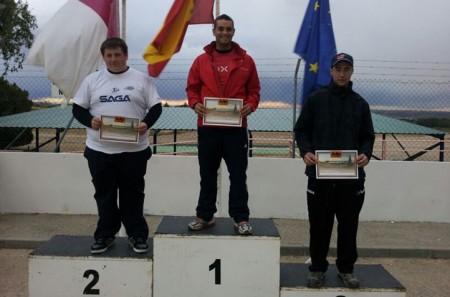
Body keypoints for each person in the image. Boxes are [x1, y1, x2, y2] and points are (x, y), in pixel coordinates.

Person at [72, 37, 162, 254]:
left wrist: (146, 123)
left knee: (133, 194)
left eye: (117, 55)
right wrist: (90, 121)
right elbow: (78, 109)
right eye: (109, 55)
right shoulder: (92, 81)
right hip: (100, 151)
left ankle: (137, 235)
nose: (113, 59)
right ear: (103, 57)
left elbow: (156, 107)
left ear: (126, 55)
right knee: (105, 195)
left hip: (134, 152)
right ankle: (105, 235)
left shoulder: (141, 80)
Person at [294, 53, 375, 288]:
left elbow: (367, 137)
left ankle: (346, 269)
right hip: (319, 178)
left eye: (346, 69)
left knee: (348, 226)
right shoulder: (315, 100)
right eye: (337, 68)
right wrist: (306, 151)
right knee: (319, 225)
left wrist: (365, 154)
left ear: (352, 72)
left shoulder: (360, 104)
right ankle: (317, 269)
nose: (341, 73)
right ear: (330, 71)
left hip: (351, 180)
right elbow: (302, 131)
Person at [186, 14, 260, 235]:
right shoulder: (201, 60)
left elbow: (254, 91)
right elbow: (192, 88)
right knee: (207, 174)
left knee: (238, 175)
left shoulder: (247, 61)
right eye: (221, 29)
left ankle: (241, 218)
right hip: (207, 127)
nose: (224, 33)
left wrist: (250, 105)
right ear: (214, 31)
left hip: (236, 130)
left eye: (228, 29)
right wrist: (195, 103)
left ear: (234, 31)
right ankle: (205, 216)